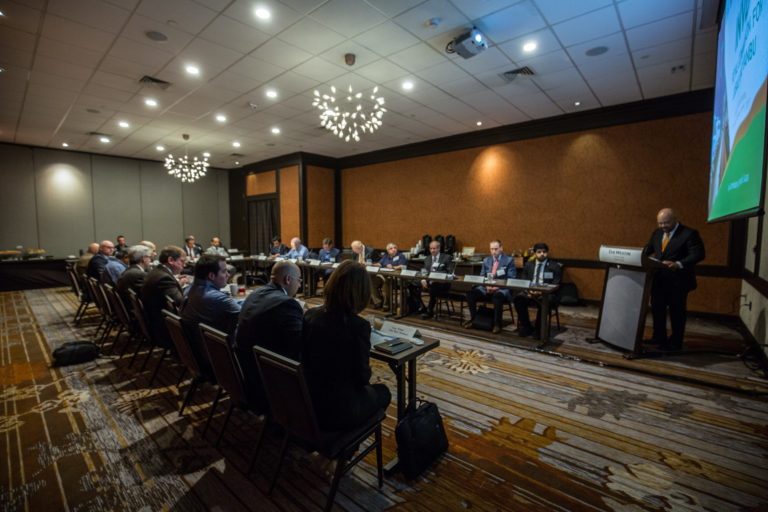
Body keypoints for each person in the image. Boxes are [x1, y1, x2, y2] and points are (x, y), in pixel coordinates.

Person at [301, 260, 391, 431]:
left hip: (308, 398)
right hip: (339, 410)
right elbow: (362, 378)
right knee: (384, 392)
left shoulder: (310, 315)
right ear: (362, 292)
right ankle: (349, 440)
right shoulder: (358, 326)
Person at [234, 261, 304, 411]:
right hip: (269, 381)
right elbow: (299, 345)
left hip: (248, 371)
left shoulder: (255, 293)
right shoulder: (287, 303)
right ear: (288, 279)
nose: (299, 285)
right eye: (299, 280)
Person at [643, 208, 705, 351]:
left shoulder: (689, 234)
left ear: (675, 220)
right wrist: (638, 255)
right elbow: (649, 249)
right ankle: (658, 337)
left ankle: (676, 342)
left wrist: (678, 264)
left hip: (678, 282)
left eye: (666, 223)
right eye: (660, 223)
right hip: (659, 281)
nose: (663, 226)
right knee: (657, 310)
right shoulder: (657, 233)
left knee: (677, 313)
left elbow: (698, 254)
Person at [181, 254, 242, 376]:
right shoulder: (215, 298)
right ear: (211, 276)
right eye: (224, 271)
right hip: (218, 358)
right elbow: (247, 315)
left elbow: (233, 304)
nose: (228, 275)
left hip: (198, 353)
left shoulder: (189, 290)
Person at [140, 246, 189, 349]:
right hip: (163, 329)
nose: (184, 265)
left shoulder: (157, 271)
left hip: (155, 322)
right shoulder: (164, 278)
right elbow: (180, 303)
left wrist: (176, 283)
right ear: (170, 260)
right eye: (182, 261)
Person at [466, 239, 516, 334]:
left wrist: (497, 287)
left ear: (501, 248)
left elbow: (511, 278)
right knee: (470, 294)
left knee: (497, 297)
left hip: (501, 289)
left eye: (496, 249)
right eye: (491, 249)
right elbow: (482, 276)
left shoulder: (509, 260)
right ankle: (474, 319)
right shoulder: (486, 260)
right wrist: (486, 286)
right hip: (486, 287)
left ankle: (497, 324)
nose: (493, 251)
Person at [513, 243, 561, 339]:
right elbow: (524, 280)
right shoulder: (529, 265)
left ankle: (539, 329)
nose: (542, 254)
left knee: (545, 301)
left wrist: (541, 292)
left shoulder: (554, 266)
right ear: (535, 253)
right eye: (539, 252)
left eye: (544, 252)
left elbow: (556, 283)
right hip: (530, 292)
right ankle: (527, 327)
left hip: (547, 294)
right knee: (518, 299)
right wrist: (529, 292)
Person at [420, 240, 454, 319]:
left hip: (442, 282)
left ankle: (430, 311)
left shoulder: (446, 257)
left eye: (434, 249)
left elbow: (450, 272)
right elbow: (424, 271)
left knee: (434, 286)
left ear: (439, 248)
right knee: (413, 283)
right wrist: (423, 280)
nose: (432, 251)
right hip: (429, 280)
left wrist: (438, 277)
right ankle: (420, 306)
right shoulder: (427, 259)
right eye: (431, 249)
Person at [371, 242, 407, 310]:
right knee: (372, 282)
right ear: (387, 251)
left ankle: (386, 305)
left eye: (395, 248)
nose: (393, 249)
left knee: (386, 284)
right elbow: (380, 264)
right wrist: (372, 264)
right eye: (391, 248)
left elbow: (402, 266)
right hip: (383, 275)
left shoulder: (401, 256)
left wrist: (393, 267)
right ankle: (378, 302)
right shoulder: (386, 256)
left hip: (395, 277)